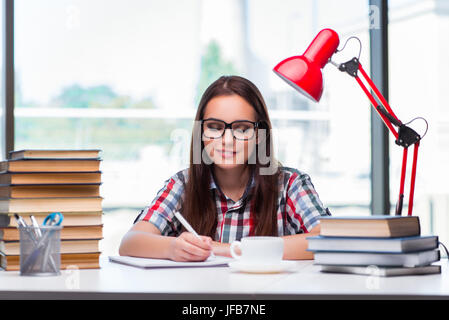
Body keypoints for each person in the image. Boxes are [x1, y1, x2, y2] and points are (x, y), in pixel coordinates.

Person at [119, 75, 330, 261]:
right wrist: (173, 247)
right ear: (200, 132)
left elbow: (329, 238)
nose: (227, 140)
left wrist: (230, 250)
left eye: (242, 128)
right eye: (214, 127)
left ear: (259, 135)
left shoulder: (290, 184)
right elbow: (130, 242)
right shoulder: (183, 185)